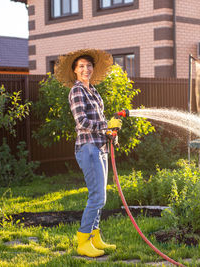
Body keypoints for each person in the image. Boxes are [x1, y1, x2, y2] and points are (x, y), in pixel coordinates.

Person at [54, 49, 122, 257]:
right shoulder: (77, 91)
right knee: (97, 196)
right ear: (75, 70)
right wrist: (106, 124)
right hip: (88, 148)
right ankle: (83, 241)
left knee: (100, 195)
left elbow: (99, 123)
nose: (86, 69)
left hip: (100, 147)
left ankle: (95, 237)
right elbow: (81, 122)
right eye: (81, 66)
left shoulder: (93, 91)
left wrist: (111, 132)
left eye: (89, 66)